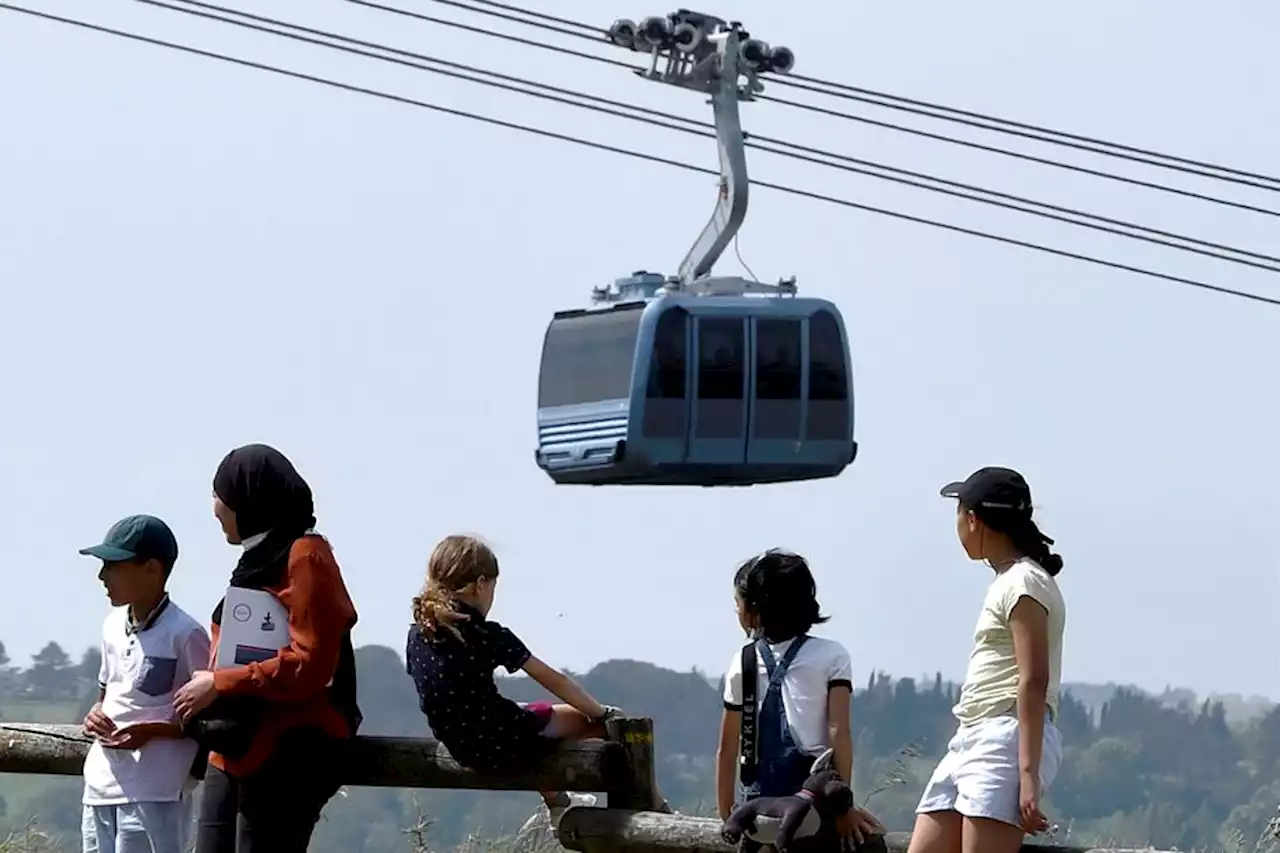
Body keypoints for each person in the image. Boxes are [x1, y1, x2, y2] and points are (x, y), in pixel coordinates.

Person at [405, 534, 666, 839]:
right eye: (493, 588)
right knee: (606, 726)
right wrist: (601, 711)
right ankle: (653, 807)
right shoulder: (487, 634)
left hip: (460, 746)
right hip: (504, 742)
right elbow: (552, 679)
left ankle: (558, 800)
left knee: (527, 713)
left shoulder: (417, 636)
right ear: (479, 585)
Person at [174, 443, 361, 853]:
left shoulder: (305, 556)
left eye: (224, 496)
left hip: (289, 746)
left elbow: (312, 665)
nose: (216, 506)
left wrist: (220, 684)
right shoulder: (259, 555)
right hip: (237, 744)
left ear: (252, 499)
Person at [908, 467, 1067, 853]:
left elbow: (1032, 679)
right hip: (973, 736)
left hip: (1006, 735)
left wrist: (1027, 773)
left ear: (974, 519)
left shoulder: (1024, 582)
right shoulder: (1013, 579)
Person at [716, 549, 883, 845]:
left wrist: (727, 813)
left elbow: (728, 747)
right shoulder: (832, 655)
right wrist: (843, 807)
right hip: (813, 801)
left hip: (758, 804)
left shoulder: (742, 661)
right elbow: (838, 732)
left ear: (755, 609)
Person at [78, 514, 211, 853]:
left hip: (157, 789)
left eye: (114, 565)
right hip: (100, 784)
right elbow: (106, 694)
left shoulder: (186, 634)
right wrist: (96, 713)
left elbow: (207, 718)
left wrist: (153, 729)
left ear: (152, 568)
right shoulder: (111, 625)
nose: (102, 576)